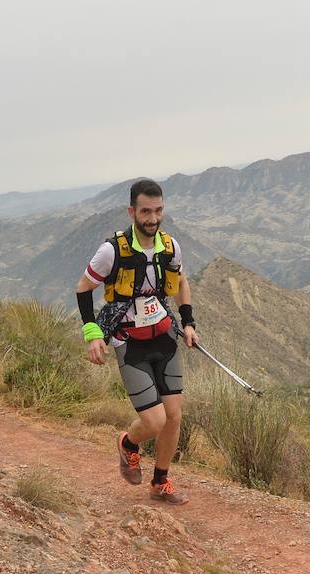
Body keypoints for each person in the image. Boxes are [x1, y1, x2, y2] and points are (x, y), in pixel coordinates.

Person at [76, 179, 199, 505]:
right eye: (146, 211)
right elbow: (83, 288)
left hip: (164, 338)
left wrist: (188, 323)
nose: (153, 218)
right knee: (154, 421)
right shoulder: (112, 250)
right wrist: (92, 334)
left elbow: (182, 282)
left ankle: (160, 482)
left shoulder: (170, 247)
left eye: (158, 211)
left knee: (174, 415)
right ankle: (129, 445)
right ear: (132, 211)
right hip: (130, 343)